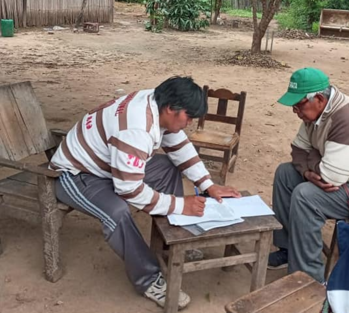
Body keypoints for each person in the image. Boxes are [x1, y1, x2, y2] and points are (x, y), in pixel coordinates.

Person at [49, 76, 241, 310]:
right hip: (74, 174)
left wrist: (207, 184)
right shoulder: (135, 129)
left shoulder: (157, 102)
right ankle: (148, 279)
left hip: (109, 164)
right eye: (188, 117)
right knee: (117, 212)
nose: (189, 123)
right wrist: (181, 205)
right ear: (171, 109)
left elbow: (178, 145)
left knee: (169, 167)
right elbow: (129, 190)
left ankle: (171, 246)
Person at [268, 67, 349, 284]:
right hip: (342, 178)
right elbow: (298, 150)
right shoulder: (315, 113)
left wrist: (312, 164)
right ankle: (289, 248)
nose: (296, 112)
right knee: (285, 173)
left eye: (298, 106)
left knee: (305, 196)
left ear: (318, 98)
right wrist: (309, 170)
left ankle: (308, 278)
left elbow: (329, 178)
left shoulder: (345, 118)